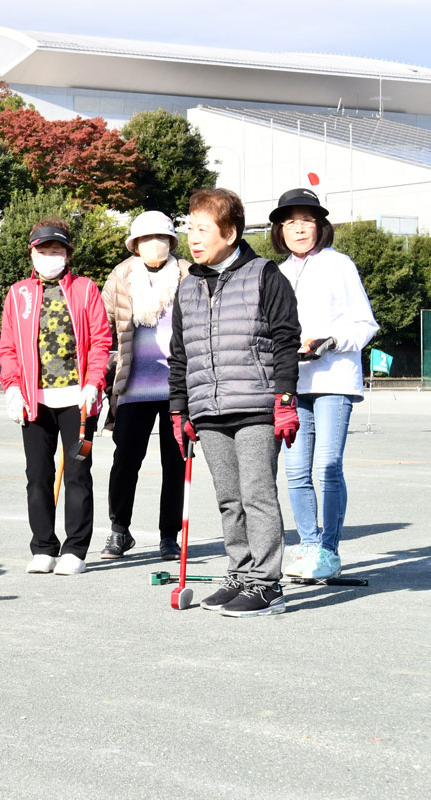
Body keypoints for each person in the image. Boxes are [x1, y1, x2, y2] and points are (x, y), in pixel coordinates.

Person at [168, 188, 301, 617]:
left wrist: (284, 398)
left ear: (231, 231)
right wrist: (178, 407)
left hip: (256, 405)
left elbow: (285, 340)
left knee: (257, 494)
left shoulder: (265, 274)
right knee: (229, 498)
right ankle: (241, 573)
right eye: (190, 229)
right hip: (209, 408)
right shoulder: (188, 286)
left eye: (203, 229)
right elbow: (179, 353)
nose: (193, 238)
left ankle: (267, 585)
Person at [270, 188, 379, 580]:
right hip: (292, 381)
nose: (299, 229)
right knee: (296, 470)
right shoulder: (277, 272)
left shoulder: (339, 265)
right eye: (290, 222)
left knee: (328, 466)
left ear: (320, 226)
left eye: (307, 221)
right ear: (280, 231)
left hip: (333, 378)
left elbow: (365, 324)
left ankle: (329, 551)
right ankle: (309, 546)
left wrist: (331, 342)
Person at [0, 220, 111, 576]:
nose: (51, 257)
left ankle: (76, 549)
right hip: (35, 401)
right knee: (38, 475)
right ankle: (43, 546)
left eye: (57, 251)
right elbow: (9, 347)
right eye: (44, 250)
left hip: (80, 401)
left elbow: (100, 342)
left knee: (78, 472)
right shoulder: (19, 295)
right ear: (32, 252)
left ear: (68, 254)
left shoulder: (86, 289)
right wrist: (12, 387)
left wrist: (94, 383)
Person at [99, 211, 191, 561]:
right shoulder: (121, 276)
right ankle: (120, 530)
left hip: (178, 387)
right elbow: (104, 326)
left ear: (171, 241)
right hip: (132, 384)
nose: (155, 244)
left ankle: (170, 535)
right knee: (125, 460)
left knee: (176, 462)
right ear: (135, 244)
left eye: (162, 238)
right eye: (147, 238)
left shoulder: (187, 274)